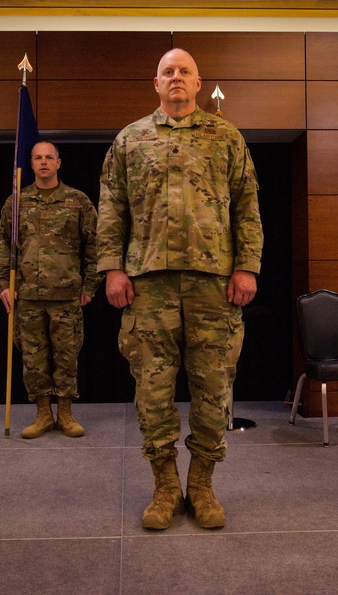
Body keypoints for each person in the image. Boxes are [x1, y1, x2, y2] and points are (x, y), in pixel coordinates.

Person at [97, 48, 263, 530]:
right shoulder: (130, 139)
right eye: (168, 71)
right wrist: (112, 268)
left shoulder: (226, 136)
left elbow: (247, 205)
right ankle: (166, 486)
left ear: (197, 82)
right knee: (152, 393)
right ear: (156, 83)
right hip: (148, 285)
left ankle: (203, 486)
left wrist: (247, 266)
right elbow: (112, 207)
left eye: (184, 72)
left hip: (214, 284)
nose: (176, 78)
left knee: (214, 391)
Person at [0, 141, 99, 439]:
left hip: (66, 296)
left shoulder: (78, 201)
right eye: (37, 157)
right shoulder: (16, 202)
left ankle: (65, 414)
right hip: (27, 296)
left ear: (58, 163)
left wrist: (90, 285)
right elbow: (3, 244)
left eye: (49, 157)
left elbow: (94, 246)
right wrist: (2, 284)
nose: (43, 162)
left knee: (66, 357)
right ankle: (42, 415)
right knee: (33, 360)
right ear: (30, 162)